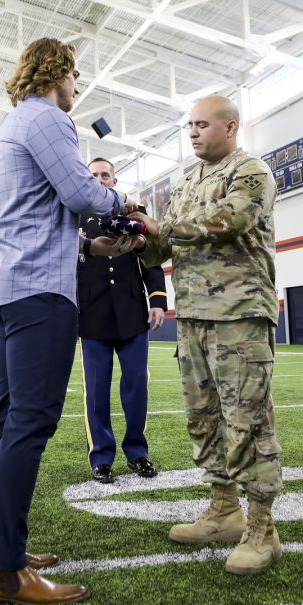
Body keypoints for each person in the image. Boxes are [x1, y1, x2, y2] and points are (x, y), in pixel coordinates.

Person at [0, 37, 139, 605]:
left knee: (5, 415)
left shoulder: (12, 124)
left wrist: (89, 247)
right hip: (39, 290)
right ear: (57, 73)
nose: (78, 84)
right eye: (74, 74)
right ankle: (8, 572)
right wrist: (125, 207)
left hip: (11, 283)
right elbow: (80, 192)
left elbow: (39, 214)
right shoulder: (46, 119)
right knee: (31, 423)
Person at [129, 95, 284, 577]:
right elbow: (161, 251)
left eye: (202, 124)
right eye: (189, 126)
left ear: (230, 126)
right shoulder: (186, 181)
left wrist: (165, 226)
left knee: (248, 420)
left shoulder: (250, 171)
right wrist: (138, 237)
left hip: (239, 313)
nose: (193, 133)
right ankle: (223, 508)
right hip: (193, 316)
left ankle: (263, 527)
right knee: (204, 417)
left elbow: (231, 221)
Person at [78, 158, 168, 485]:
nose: (100, 180)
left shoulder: (134, 212)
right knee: (97, 390)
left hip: (132, 313)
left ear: (115, 179)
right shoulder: (75, 215)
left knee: (136, 387)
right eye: (94, 176)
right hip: (92, 316)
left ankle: (137, 452)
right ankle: (101, 456)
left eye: (105, 175)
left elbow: (152, 258)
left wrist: (157, 300)